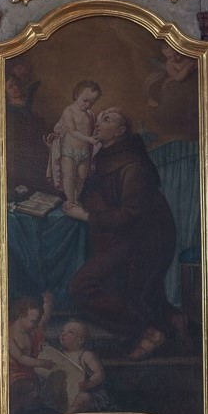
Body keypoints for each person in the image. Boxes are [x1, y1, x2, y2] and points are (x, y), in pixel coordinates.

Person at [64, 107, 177, 360]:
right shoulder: (107, 157)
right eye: (99, 118)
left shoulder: (132, 165)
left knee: (81, 287)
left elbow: (131, 213)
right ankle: (159, 324)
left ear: (120, 131)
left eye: (107, 119)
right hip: (121, 235)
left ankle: (147, 329)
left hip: (145, 240)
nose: (98, 122)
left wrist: (86, 216)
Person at [47, 79, 102, 207]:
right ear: (76, 95)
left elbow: (93, 131)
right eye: (85, 100)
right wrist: (89, 139)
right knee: (69, 177)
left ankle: (76, 200)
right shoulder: (69, 111)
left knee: (82, 177)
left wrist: (96, 137)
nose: (88, 104)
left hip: (84, 152)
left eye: (92, 102)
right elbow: (72, 131)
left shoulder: (90, 114)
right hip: (68, 151)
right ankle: (70, 201)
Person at [8, 293, 57, 414]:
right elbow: (20, 358)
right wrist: (42, 363)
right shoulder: (9, 334)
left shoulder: (32, 331)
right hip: (15, 376)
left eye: (36, 321)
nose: (35, 324)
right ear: (21, 316)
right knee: (23, 393)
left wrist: (47, 304)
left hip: (30, 373)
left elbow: (43, 320)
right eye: (32, 321)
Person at [58, 320, 112, 413]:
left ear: (81, 339)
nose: (63, 334)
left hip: (89, 392)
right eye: (63, 331)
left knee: (83, 398)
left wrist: (88, 384)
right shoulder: (60, 355)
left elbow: (99, 374)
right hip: (68, 391)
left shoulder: (86, 355)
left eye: (70, 332)